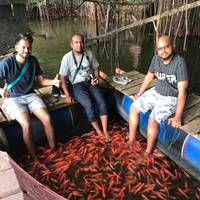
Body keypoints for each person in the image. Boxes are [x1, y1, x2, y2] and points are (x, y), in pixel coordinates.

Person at [0, 34, 60, 161]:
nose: (27, 50)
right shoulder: (6, 63)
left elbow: (42, 81)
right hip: (13, 98)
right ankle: (34, 157)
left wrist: (54, 82)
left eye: (29, 47)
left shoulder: (33, 60)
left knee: (47, 118)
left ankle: (54, 150)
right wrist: (1, 92)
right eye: (23, 47)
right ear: (16, 47)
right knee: (26, 124)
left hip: (30, 95)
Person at [128, 35, 189, 158]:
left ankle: (148, 152)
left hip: (171, 97)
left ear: (173, 46)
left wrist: (177, 116)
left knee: (153, 119)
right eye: (160, 48)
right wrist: (139, 94)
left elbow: (183, 92)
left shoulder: (180, 63)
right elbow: (149, 77)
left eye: (167, 47)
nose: (163, 51)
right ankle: (131, 140)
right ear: (157, 50)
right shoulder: (156, 59)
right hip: (156, 91)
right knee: (134, 107)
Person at [59, 34, 110, 141]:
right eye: (76, 42)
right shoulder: (66, 58)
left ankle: (105, 130)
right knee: (89, 105)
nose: (79, 45)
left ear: (84, 43)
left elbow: (96, 67)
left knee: (101, 101)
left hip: (89, 81)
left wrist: (96, 78)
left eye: (81, 42)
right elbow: (62, 77)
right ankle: (98, 131)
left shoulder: (89, 53)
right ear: (71, 44)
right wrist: (67, 94)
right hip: (76, 84)